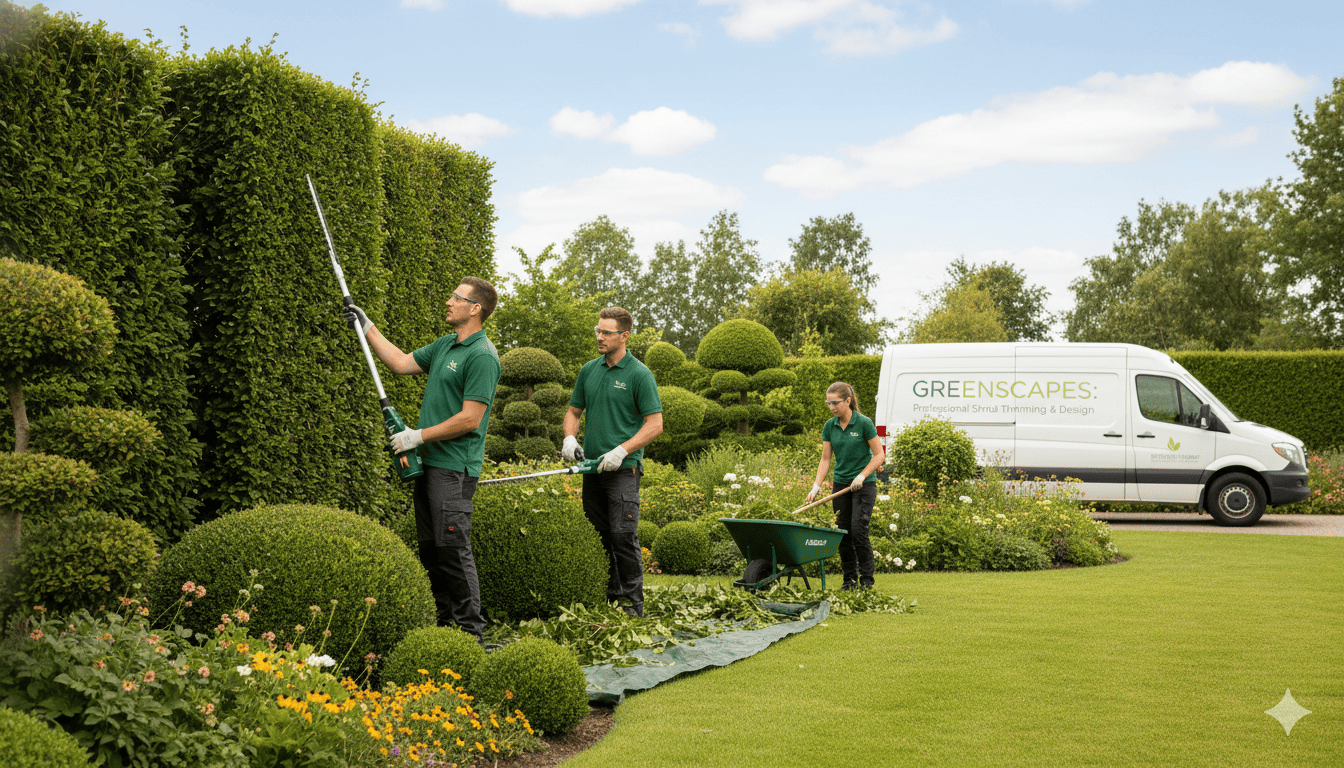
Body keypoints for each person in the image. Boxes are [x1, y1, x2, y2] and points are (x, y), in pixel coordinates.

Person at [343, 277, 500, 640]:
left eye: (456, 297)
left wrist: (417, 436)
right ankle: (444, 629)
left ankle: (471, 634)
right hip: (429, 464)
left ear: (475, 309)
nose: (448, 301)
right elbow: (400, 363)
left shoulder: (482, 355)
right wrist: (367, 326)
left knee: (453, 550)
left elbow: (471, 418)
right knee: (431, 551)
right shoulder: (446, 345)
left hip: (454, 468)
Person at [562, 307, 663, 617]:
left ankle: (633, 606)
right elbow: (573, 412)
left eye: (606, 332)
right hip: (592, 469)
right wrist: (569, 438)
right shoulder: (588, 370)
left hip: (623, 470)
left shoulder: (639, 374)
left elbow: (655, 424)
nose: (600, 337)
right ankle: (609, 599)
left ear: (624, 336)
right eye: (598, 330)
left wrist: (622, 450)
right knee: (599, 535)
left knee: (623, 536)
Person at [805, 382, 885, 590]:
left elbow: (879, 455)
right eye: (829, 403)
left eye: (835, 403)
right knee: (842, 532)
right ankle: (849, 580)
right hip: (841, 484)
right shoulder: (829, 426)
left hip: (863, 484)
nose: (831, 407)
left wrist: (862, 476)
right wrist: (816, 485)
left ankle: (866, 581)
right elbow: (825, 459)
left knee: (858, 530)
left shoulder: (864, 423)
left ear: (848, 401)